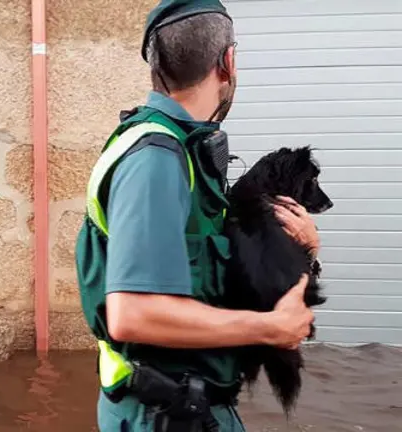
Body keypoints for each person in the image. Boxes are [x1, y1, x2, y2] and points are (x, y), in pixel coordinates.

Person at [75, 1, 322, 431]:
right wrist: (269, 328)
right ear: (228, 62)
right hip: (162, 413)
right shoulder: (155, 157)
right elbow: (132, 315)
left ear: (156, 67)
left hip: (189, 406)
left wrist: (305, 251)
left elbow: (213, 275)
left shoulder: (184, 149)